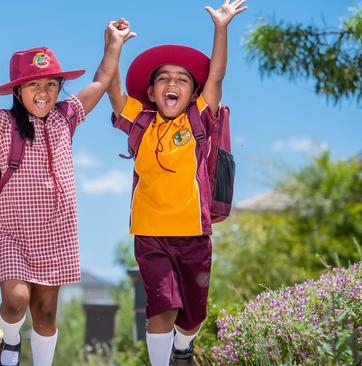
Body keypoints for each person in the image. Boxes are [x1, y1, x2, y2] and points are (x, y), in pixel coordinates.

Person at [0, 20, 134, 366]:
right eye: (34, 84)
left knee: (46, 313)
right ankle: (10, 345)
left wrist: (114, 43)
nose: (44, 91)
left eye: (52, 84)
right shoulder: (4, 123)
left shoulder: (65, 118)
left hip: (57, 232)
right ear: (17, 90)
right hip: (14, 232)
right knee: (15, 300)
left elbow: (100, 81)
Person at [106, 1, 247, 365]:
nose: (172, 83)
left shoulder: (197, 119)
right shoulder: (141, 121)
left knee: (193, 315)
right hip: (151, 234)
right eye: (163, 78)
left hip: (194, 232)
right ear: (151, 93)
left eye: (182, 79)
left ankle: (183, 347)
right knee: (161, 307)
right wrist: (114, 47)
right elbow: (113, 91)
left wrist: (221, 27)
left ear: (192, 93)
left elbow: (215, 77)